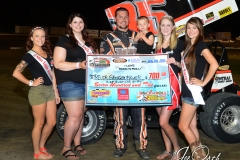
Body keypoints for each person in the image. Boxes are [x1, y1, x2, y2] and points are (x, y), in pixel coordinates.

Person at [100, 7, 150, 160]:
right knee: (120, 118)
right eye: (120, 17)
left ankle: (141, 146)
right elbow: (103, 62)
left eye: (125, 17)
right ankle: (120, 145)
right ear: (115, 19)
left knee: (140, 117)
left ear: (129, 19)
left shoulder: (138, 35)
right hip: (119, 86)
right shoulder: (107, 37)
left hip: (138, 85)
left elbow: (149, 55)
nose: (123, 19)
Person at [53, 13, 98, 159]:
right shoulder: (64, 40)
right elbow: (58, 63)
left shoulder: (89, 42)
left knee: (81, 115)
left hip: (88, 83)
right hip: (69, 82)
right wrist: (79, 64)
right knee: (75, 115)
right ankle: (66, 147)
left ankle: (77, 143)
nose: (78, 24)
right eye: (75, 22)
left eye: (81, 22)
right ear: (70, 24)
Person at [12, 26, 60, 159]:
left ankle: (42, 146)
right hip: (38, 92)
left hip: (50, 90)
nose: (40, 38)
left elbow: (52, 73)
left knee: (51, 122)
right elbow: (16, 73)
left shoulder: (48, 53)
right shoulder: (29, 55)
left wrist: (56, 91)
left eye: (43, 36)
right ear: (31, 38)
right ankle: (36, 153)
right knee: (39, 123)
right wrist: (30, 83)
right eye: (37, 36)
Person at [178, 17, 218, 160]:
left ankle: (199, 157)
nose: (191, 31)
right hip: (186, 91)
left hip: (192, 92)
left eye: (194, 28)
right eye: (188, 28)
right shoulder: (189, 46)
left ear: (199, 29)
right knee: (192, 125)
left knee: (182, 126)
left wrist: (203, 82)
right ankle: (201, 154)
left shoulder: (201, 45)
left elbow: (214, 64)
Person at [155, 15, 184, 160]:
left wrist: (176, 62)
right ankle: (167, 150)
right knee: (161, 122)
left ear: (173, 27)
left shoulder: (179, 44)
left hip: (172, 86)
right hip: (158, 86)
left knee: (163, 122)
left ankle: (177, 148)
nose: (165, 28)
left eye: (168, 25)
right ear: (160, 27)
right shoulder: (157, 45)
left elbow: (186, 66)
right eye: (163, 25)